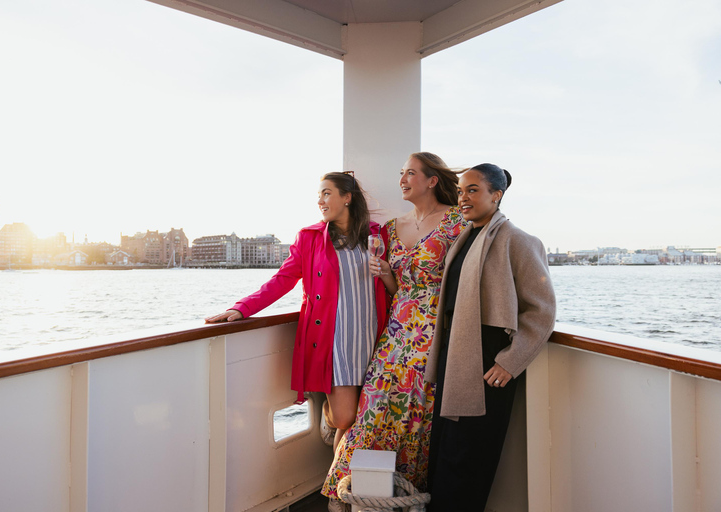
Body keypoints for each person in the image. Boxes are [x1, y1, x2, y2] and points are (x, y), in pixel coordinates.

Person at [205, 172, 389, 452]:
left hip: (371, 335)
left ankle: (343, 490)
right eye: (319, 195)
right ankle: (330, 424)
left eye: (327, 193)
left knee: (368, 417)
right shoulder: (310, 238)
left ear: (347, 197)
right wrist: (242, 308)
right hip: (335, 340)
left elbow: (393, 280)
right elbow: (283, 280)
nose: (320, 200)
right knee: (345, 417)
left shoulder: (377, 234)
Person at [322, 152, 463, 506]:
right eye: (401, 173)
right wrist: (384, 271)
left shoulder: (458, 222)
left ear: (432, 180)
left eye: (411, 173)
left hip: (433, 331)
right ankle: (346, 490)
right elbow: (395, 288)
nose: (402, 178)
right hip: (397, 329)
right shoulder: (389, 228)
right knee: (373, 406)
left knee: (417, 413)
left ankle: (406, 492)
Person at [425, 164, 556, 512]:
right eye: (460, 190)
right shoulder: (465, 238)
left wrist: (510, 361)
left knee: (470, 456)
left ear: (496, 195)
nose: (463, 198)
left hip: (488, 360)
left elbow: (541, 309)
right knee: (446, 449)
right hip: (458, 352)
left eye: (473, 190)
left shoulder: (519, 240)